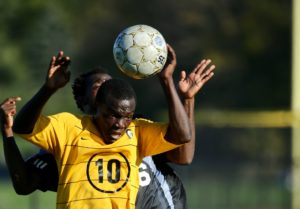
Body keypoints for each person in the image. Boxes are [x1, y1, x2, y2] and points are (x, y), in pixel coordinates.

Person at [3, 57, 214, 209]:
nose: (108, 85)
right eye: (98, 85)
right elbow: (24, 183)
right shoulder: (65, 134)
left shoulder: (136, 128)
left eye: (110, 82)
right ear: (86, 101)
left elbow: (183, 152)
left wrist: (184, 99)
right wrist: (8, 131)